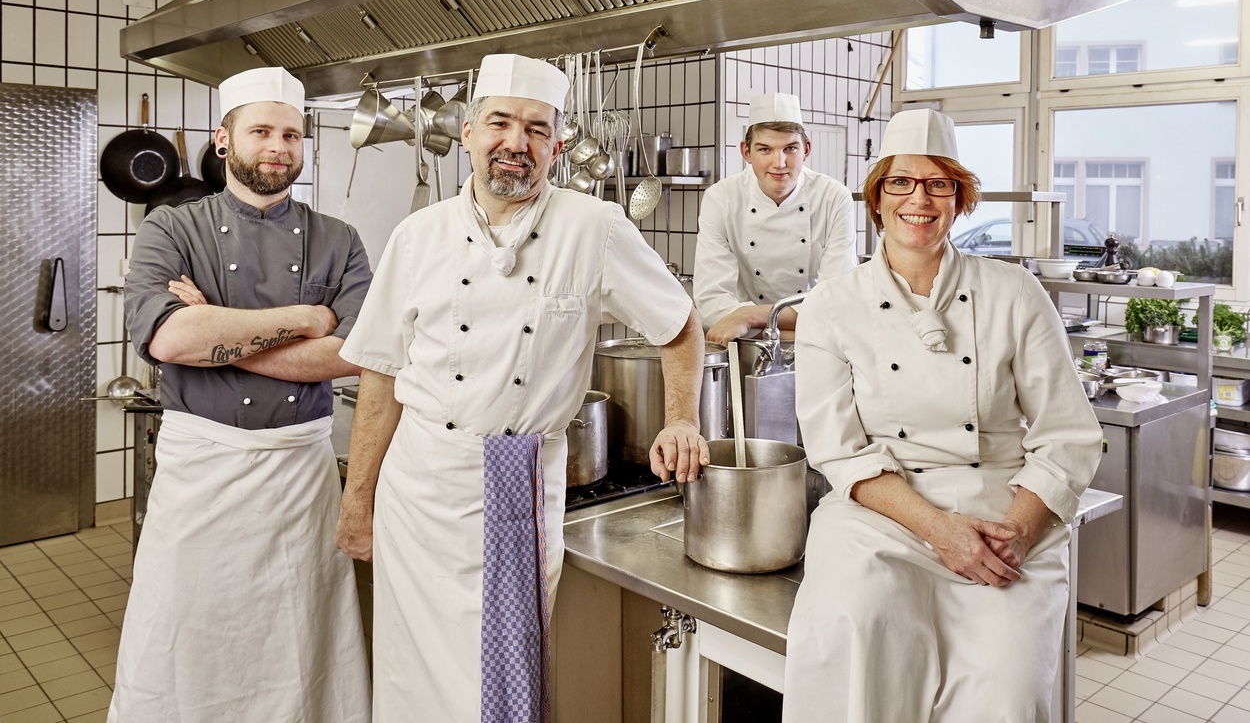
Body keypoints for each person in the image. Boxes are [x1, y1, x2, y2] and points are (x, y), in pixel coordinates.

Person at [335, 53, 709, 721]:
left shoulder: (594, 228)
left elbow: (680, 325)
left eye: (537, 129)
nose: (517, 142)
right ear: (470, 132)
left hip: (515, 479)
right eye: (501, 123)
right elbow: (381, 373)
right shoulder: (417, 236)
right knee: (408, 681)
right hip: (417, 488)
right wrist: (357, 500)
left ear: (557, 146)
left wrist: (682, 418)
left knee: (500, 688)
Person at [782, 108, 1102, 722]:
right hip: (881, 516)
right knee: (853, 639)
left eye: (939, 184)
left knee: (1006, 691)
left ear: (959, 199)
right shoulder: (830, 306)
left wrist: (1017, 535)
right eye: (901, 182)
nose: (919, 199)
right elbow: (840, 450)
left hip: (1002, 513)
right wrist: (939, 529)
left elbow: (1068, 435)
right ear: (877, 198)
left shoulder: (1015, 292)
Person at [111, 67, 373, 723]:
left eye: (291, 134)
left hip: (300, 475)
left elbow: (353, 354)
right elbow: (168, 339)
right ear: (224, 139)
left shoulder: (339, 239)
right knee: (179, 635)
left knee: (301, 643)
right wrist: (307, 319)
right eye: (261, 131)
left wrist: (216, 328)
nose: (278, 147)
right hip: (201, 469)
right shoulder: (170, 228)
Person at [694, 92, 857, 344]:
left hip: (782, 342)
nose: (779, 163)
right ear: (746, 152)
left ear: (806, 149)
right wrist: (796, 334)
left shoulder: (833, 197)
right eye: (765, 149)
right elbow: (710, 302)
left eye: (790, 148)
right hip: (790, 341)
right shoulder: (722, 198)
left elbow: (837, 301)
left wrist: (748, 318)